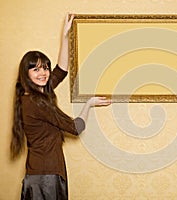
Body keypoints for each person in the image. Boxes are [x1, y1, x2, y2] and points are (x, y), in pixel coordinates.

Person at [10, 14, 112, 200]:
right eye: (36, 69)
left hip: (41, 173)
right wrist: (88, 104)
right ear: (26, 74)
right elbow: (75, 127)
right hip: (45, 177)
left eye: (45, 68)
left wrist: (65, 37)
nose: (43, 73)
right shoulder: (38, 103)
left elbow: (61, 71)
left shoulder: (34, 95)